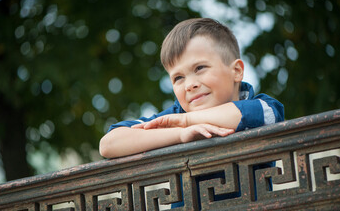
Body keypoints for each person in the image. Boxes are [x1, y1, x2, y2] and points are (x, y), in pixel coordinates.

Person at [99, 18, 284, 159]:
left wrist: (187, 120)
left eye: (200, 68)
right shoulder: (174, 119)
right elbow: (109, 144)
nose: (190, 85)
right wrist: (180, 134)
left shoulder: (264, 106)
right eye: (178, 78)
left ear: (236, 71)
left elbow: (243, 114)